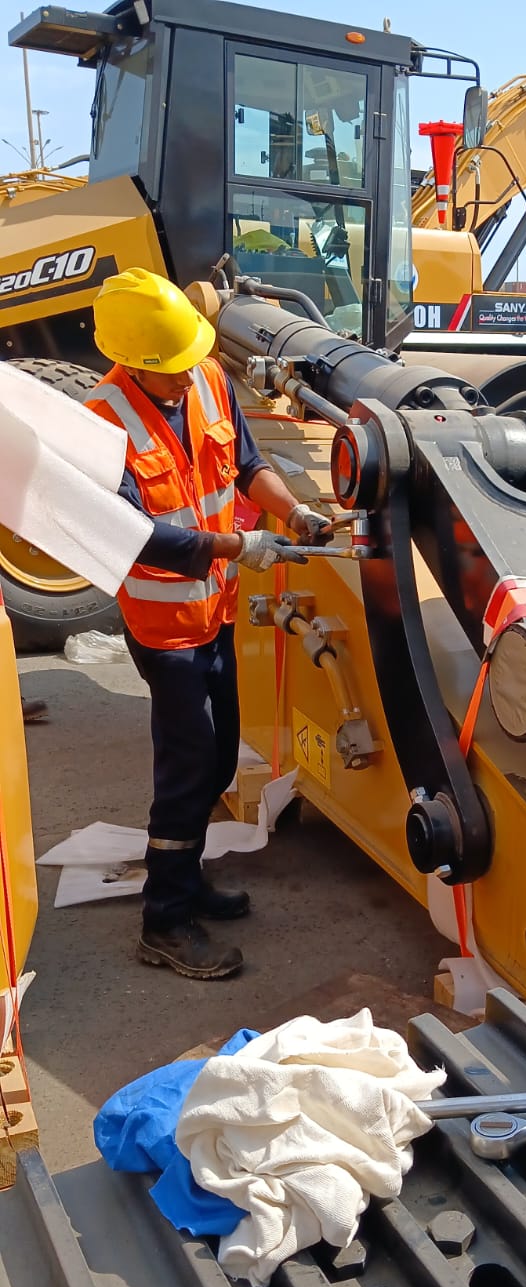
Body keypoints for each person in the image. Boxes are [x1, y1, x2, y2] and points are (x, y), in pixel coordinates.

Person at [86, 268, 329, 978]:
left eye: (190, 360)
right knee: (188, 767)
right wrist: (237, 546)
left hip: (215, 610)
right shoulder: (102, 423)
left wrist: (295, 514)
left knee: (221, 760)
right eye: (169, 369)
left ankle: (187, 880)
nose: (185, 377)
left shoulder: (206, 377)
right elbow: (137, 535)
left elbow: (246, 465)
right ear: (132, 363)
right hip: (164, 630)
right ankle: (164, 920)